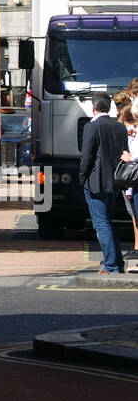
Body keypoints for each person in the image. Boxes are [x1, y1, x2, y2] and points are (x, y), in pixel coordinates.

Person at [78, 92, 127, 274]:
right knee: (108, 221)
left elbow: (87, 156)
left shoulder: (92, 127)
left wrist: (82, 177)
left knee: (101, 224)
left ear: (93, 108)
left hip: (96, 181)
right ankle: (117, 262)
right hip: (115, 180)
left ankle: (111, 265)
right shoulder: (119, 127)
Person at [118, 106, 138, 261]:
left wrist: (129, 157)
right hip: (132, 184)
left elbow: (134, 159)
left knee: (135, 215)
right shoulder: (132, 132)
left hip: (133, 182)